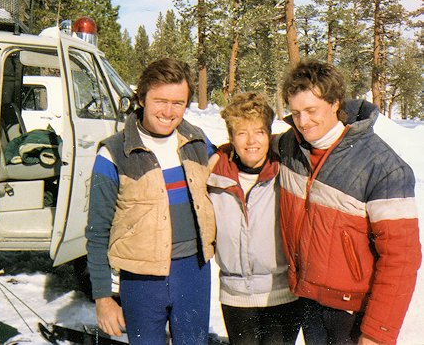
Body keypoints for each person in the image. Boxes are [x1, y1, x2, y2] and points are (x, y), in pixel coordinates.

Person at [276, 59, 422, 345]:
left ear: (335, 103)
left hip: (352, 312)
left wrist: (377, 333)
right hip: (308, 300)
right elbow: (251, 150)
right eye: (295, 113)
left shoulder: (383, 167)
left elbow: (401, 258)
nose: (303, 122)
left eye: (311, 110)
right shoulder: (290, 147)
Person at [86, 58, 216, 345]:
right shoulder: (114, 154)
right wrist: (102, 298)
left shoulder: (197, 142)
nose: (169, 112)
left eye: (178, 103)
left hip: (193, 273)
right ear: (142, 97)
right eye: (160, 101)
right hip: (142, 281)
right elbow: (97, 233)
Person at [208, 92, 302, 345]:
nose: (251, 141)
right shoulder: (215, 176)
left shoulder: (287, 172)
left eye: (259, 132)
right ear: (231, 138)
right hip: (235, 297)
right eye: (242, 133)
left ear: (269, 135)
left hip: (282, 295)